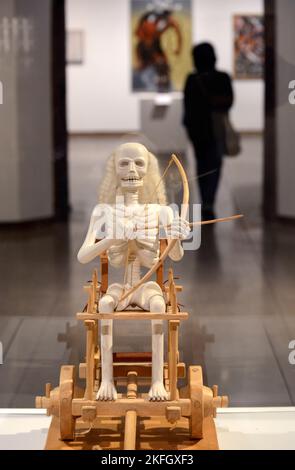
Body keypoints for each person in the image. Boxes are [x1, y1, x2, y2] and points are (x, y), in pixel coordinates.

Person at [183, 43, 234, 220]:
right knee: (215, 165)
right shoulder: (222, 77)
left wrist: (189, 127)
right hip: (215, 128)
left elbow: (188, 107)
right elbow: (228, 101)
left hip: (198, 130)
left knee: (202, 165)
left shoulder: (192, 79)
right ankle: (208, 200)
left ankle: (206, 199)